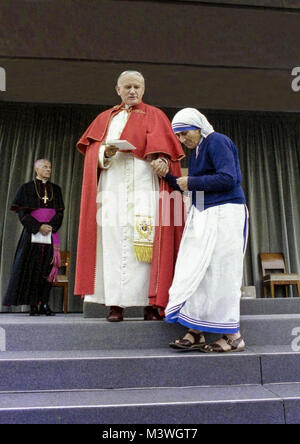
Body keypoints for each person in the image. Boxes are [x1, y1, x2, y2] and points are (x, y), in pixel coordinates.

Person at [75, 70, 185, 322]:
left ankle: (151, 303)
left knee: (147, 243)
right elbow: (91, 153)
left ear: (143, 89)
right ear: (118, 90)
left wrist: (161, 160)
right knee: (112, 244)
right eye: (127, 87)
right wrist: (105, 150)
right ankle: (116, 304)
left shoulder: (156, 115)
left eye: (136, 87)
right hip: (112, 188)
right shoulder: (105, 118)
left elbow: (166, 153)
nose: (132, 91)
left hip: (145, 186)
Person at [152, 108, 248, 352]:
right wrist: (167, 176)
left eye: (185, 134)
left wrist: (192, 182)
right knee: (197, 270)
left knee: (223, 273)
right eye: (179, 137)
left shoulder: (217, 141)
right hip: (204, 213)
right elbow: (193, 188)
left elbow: (230, 178)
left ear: (198, 127)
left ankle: (233, 337)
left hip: (227, 212)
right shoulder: (195, 153)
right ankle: (196, 331)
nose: (183, 140)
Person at [3, 159, 64, 316]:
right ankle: (33, 305)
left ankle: (44, 303)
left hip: (51, 235)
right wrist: (38, 227)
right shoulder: (26, 188)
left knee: (48, 269)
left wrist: (50, 226)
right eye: (45, 167)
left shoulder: (56, 189)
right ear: (36, 169)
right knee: (32, 270)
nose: (48, 169)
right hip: (32, 235)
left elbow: (60, 213)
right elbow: (22, 214)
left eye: (50, 167)